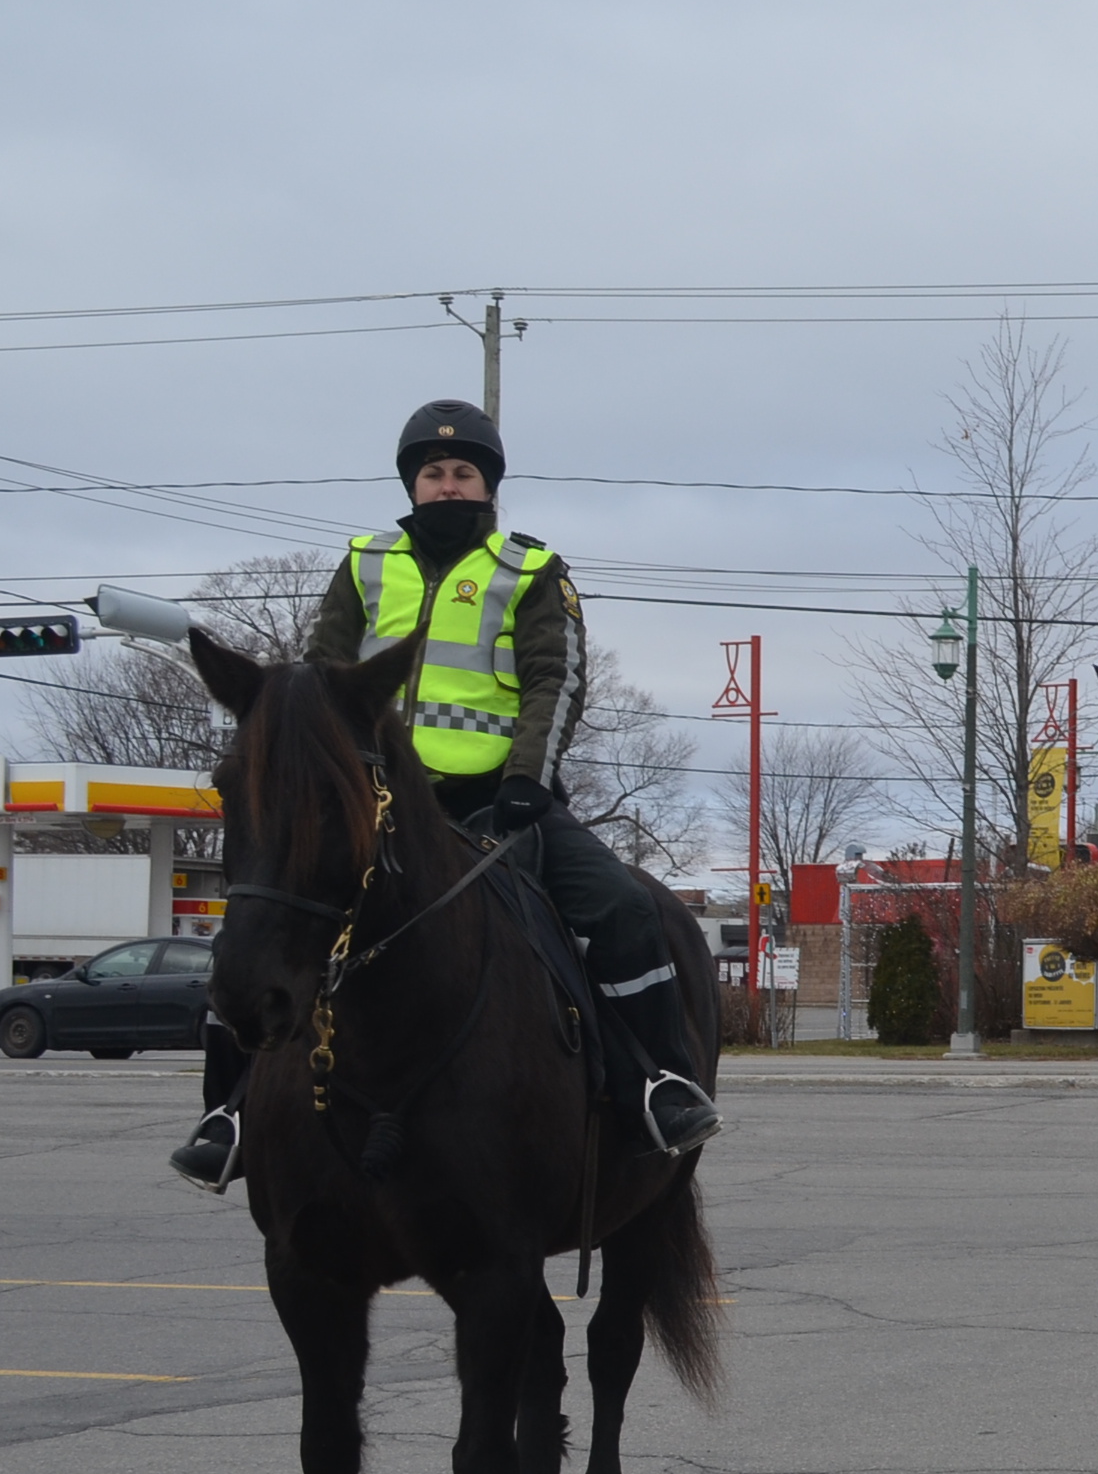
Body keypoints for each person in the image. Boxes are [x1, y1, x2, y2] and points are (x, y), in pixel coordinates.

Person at [171, 400, 718, 1188]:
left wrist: (528, 778)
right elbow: (320, 678)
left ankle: (658, 1084)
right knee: (268, 919)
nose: (449, 485)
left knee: (625, 909)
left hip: (498, 801)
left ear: (489, 486)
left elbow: (555, 680)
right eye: (434, 472)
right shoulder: (364, 563)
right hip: (377, 804)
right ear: (413, 484)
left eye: (464, 472)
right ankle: (230, 1113)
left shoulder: (530, 569)